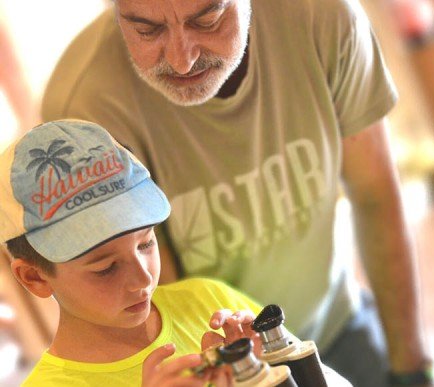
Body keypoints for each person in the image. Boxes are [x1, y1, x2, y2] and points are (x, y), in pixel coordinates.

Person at [41, 1, 434, 386]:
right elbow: (157, 297)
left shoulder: (324, 17)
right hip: (220, 360)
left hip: (337, 321)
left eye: (208, 20)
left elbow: (375, 196)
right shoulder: (86, 106)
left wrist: (413, 369)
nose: (182, 60)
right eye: (147, 30)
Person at [0, 119, 263, 386]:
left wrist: (269, 366)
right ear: (35, 277)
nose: (143, 279)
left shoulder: (208, 299)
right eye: (106, 268)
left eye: (146, 243)